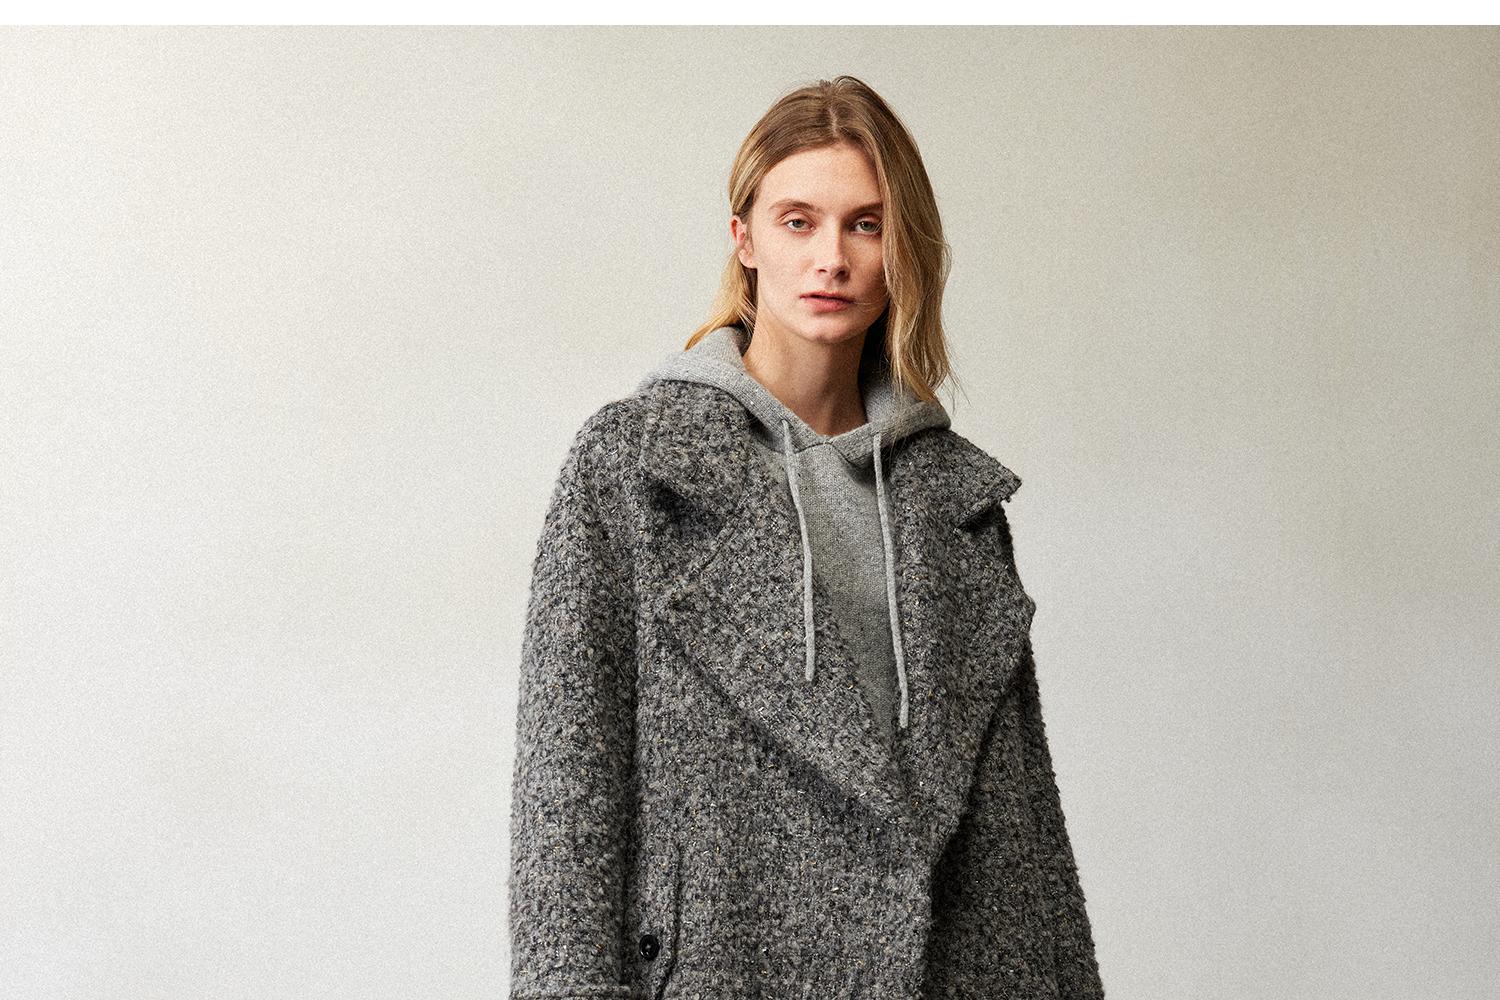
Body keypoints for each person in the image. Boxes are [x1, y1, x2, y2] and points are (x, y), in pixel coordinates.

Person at [508, 75, 1105, 1000]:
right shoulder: (636, 467)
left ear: (902, 250)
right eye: (798, 221)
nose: (831, 257)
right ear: (744, 239)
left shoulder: (958, 500)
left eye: (866, 225)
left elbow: (1021, 837)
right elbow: (566, 798)